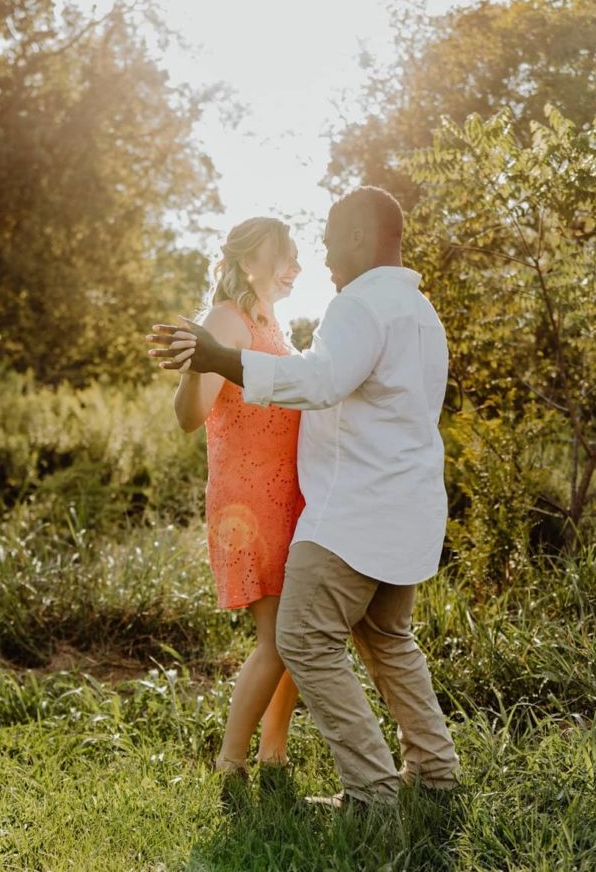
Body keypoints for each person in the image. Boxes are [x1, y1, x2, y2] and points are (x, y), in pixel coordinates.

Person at [148, 186, 460, 808]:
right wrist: (210, 360)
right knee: (388, 640)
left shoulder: (358, 306)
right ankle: (435, 775)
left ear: (355, 238)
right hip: (407, 511)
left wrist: (222, 359)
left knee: (303, 640)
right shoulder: (420, 312)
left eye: (325, 244)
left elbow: (319, 382)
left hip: (352, 514)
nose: (321, 261)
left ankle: (372, 795)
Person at [169, 216, 305, 791]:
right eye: (285, 254)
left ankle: (274, 755)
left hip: (290, 493)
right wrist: (196, 364)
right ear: (251, 260)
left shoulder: (273, 318)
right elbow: (188, 417)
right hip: (249, 499)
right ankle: (231, 763)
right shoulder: (225, 317)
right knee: (279, 638)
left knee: (299, 635)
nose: (295, 265)